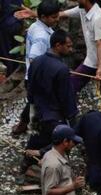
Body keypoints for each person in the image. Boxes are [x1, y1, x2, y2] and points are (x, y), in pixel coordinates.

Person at [20, 30, 77, 177]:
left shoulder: (37, 61)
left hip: (36, 109)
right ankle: (52, 175)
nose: (70, 50)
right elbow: (66, 97)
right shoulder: (61, 69)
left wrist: (31, 105)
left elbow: (29, 86)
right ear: (58, 45)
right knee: (59, 146)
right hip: (53, 114)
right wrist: (72, 117)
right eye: (68, 46)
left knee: (35, 139)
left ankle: (27, 167)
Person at [11, 0, 60, 137]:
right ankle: (34, 130)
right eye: (54, 17)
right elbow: (34, 59)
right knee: (37, 103)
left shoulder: (35, 26)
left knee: (33, 101)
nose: (57, 19)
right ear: (43, 17)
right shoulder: (41, 37)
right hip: (37, 78)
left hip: (33, 76)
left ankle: (23, 124)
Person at [64, 0, 101, 102]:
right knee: (71, 85)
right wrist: (35, 14)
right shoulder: (83, 10)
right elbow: (63, 14)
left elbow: (100, 44)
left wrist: (100, 68)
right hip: (91, 59)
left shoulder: (99, 18)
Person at [0, 0, 23, 77]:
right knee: (13, 52)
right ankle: (13, 73)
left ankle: (10, 75)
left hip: (6, 25)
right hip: (17, 21)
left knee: (6, 54)